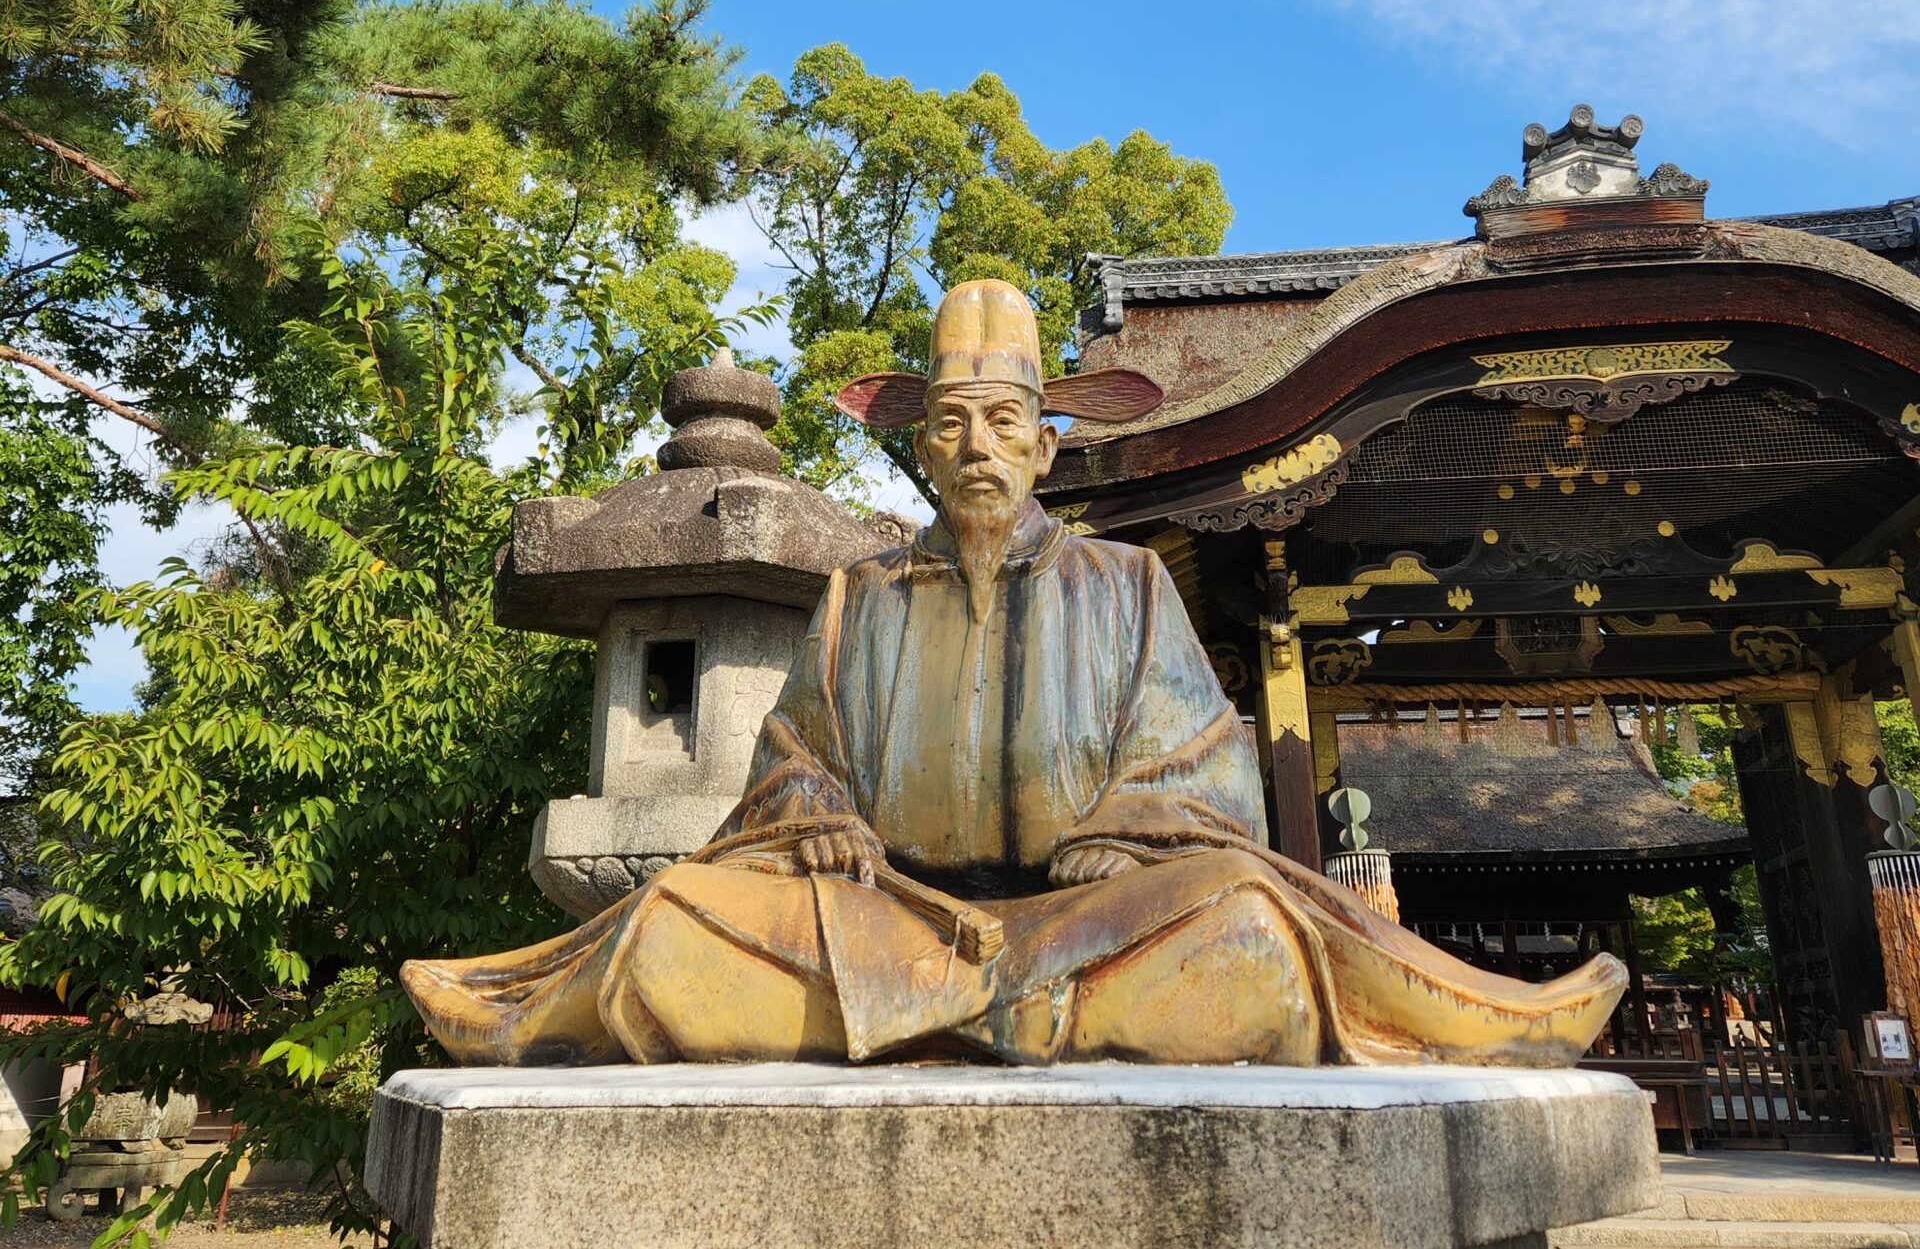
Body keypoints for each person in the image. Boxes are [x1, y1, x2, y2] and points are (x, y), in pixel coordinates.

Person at [403, 280, 1624, 1067]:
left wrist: (1134, 831)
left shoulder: (1126, 586)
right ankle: (529, 1007)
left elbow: (1203, 769)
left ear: (1046, 442)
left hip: (1086, 922)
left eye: (1001, 422)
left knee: (1249, 932)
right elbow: (789, 765)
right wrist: (817, 815)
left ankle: (1488, 1019)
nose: (976, 447)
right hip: (887, 921)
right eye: (949, 423)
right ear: (922, 444)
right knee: (675, 925)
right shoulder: (858, 597)